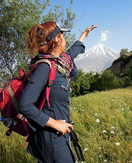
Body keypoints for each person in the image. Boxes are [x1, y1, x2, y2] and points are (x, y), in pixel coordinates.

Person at [18, 21, 98, 163]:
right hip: (50, 138)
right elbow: (24, 105)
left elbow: (74, 50)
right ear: (57, 39)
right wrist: (56, 124)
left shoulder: (60, 62)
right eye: (63, 36)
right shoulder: (45, 67)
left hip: (57, 136)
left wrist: (85, 34)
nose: (65, 40)